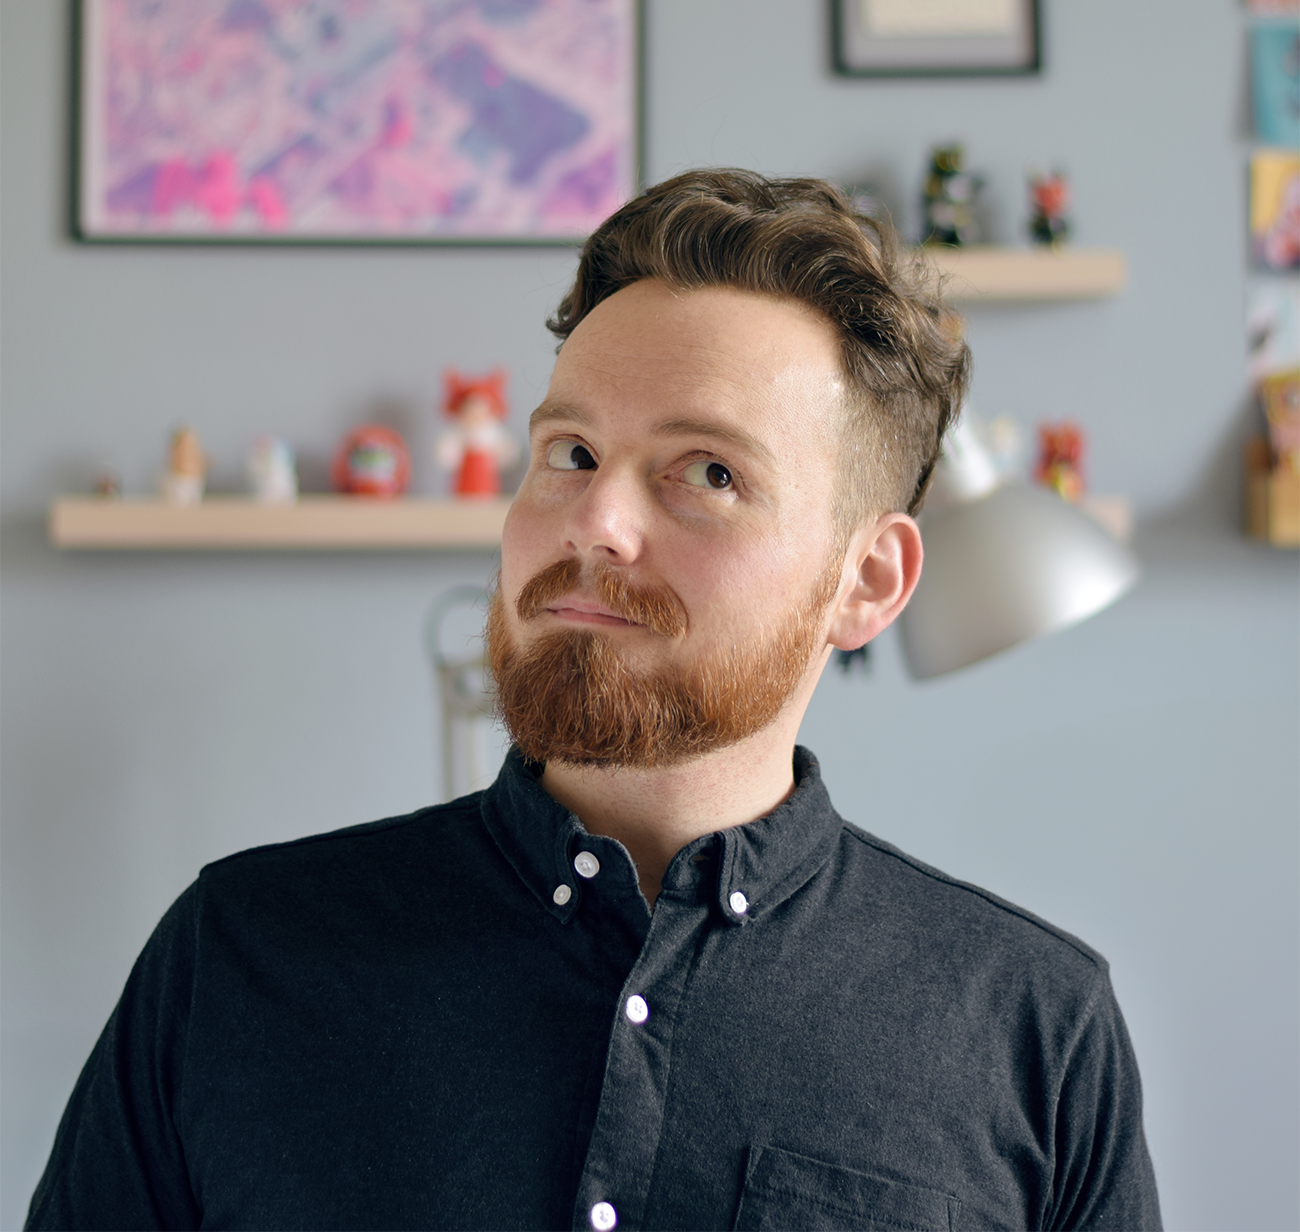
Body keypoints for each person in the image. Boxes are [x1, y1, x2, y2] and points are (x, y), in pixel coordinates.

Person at [26, 170, 1161, 1232]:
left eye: (708, 472)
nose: (593, 522)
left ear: (866, 582)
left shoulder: (1036, 1032)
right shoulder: (235, 956)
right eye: (569, 450)